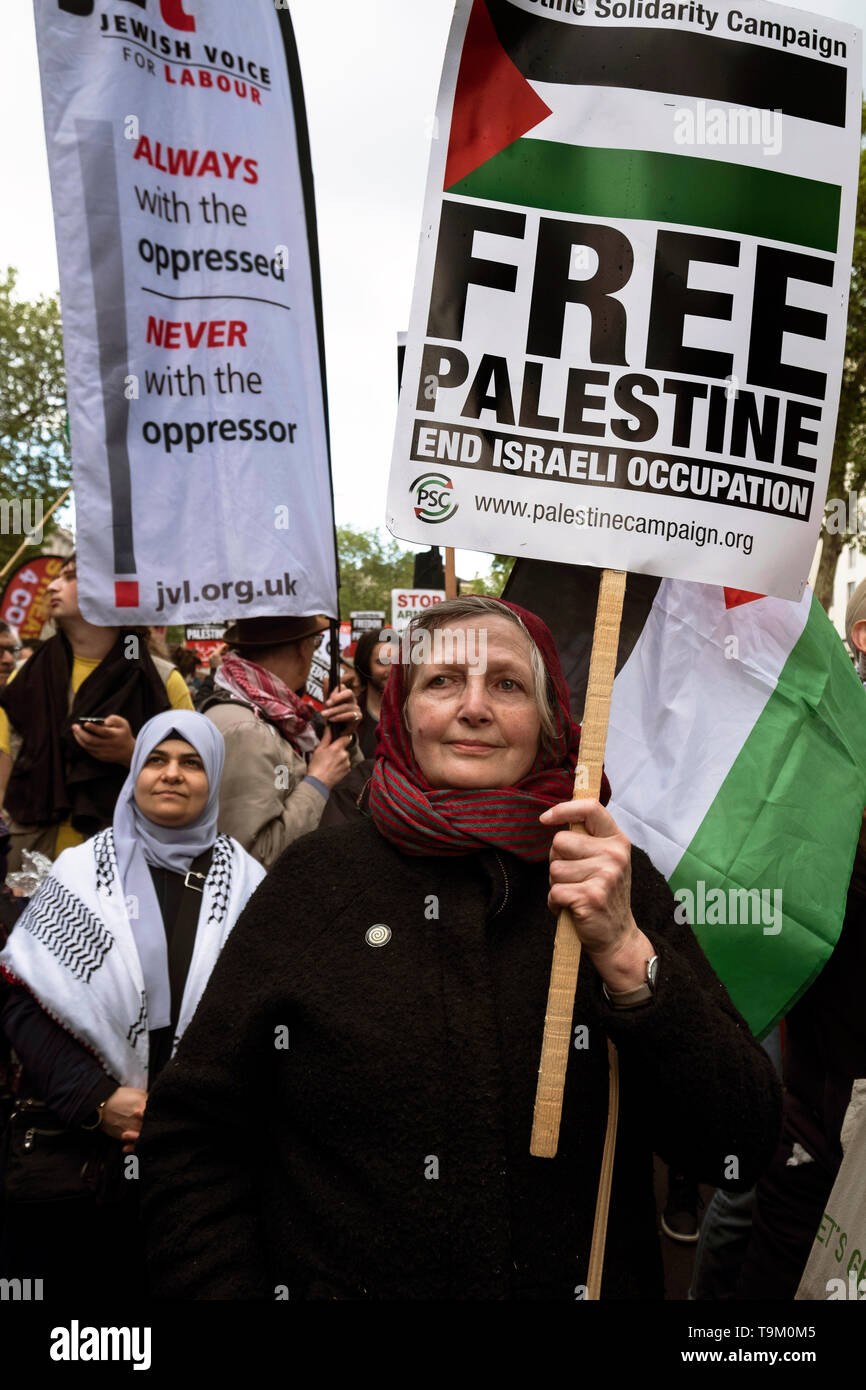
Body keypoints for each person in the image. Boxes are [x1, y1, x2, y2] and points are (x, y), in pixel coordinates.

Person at [138, 595, 781, 1300]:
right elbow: (193, 1138)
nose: (473, 707)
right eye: (443, 681)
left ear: (550, 718)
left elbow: (738, 1145)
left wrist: (628, 956)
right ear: (405, 710)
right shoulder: (316, 882)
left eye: (506, 684)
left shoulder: (611, 877)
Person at [0, 710, 264, 1299]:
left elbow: (270, 1019)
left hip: (202, 1162)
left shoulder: (250, 885)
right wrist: (100, 1102)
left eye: (192, 762)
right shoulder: (79, 874)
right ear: (135, 773)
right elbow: (22, 1001)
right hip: (85, 1161)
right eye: (157, 760)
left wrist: (191, 1112)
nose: (172, 775)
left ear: (214, 776)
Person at [0, 556, 193, 869]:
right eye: (57, 577)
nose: (52, 585)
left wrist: (132, 753)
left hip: (122, 863)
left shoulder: (162, 680)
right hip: (29, 860)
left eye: (70, 576)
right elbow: (4, 776)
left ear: (110, 590)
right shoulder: (24, 677)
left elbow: (194, 780)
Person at [200, 615, 363, 869]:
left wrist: (345, 736)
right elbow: (252, 858)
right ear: (302, 648)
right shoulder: (247, 729)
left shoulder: (276, 714)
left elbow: (358, 798)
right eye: (315, 643)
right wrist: (318, 782)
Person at [352, 628, 391, 758]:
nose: (391, 669)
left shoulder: (414, 714)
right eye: (382, 662)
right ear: (365, 665)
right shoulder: (350, 715)